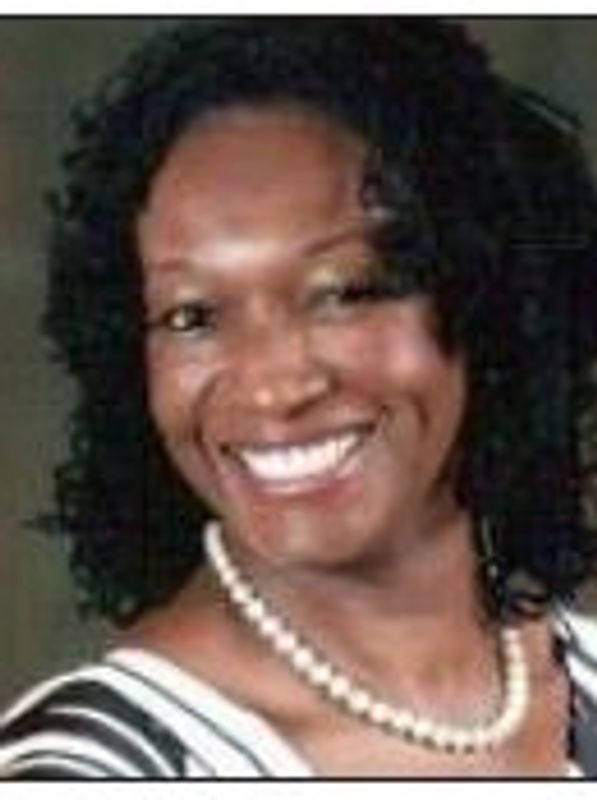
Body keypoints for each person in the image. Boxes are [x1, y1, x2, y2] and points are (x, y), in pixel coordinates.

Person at [2, 18, 597, 779]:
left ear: (492, 299)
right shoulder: (91, 770)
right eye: (191, 316)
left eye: (344, 293)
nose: (272, 387)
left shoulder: (576, 674)